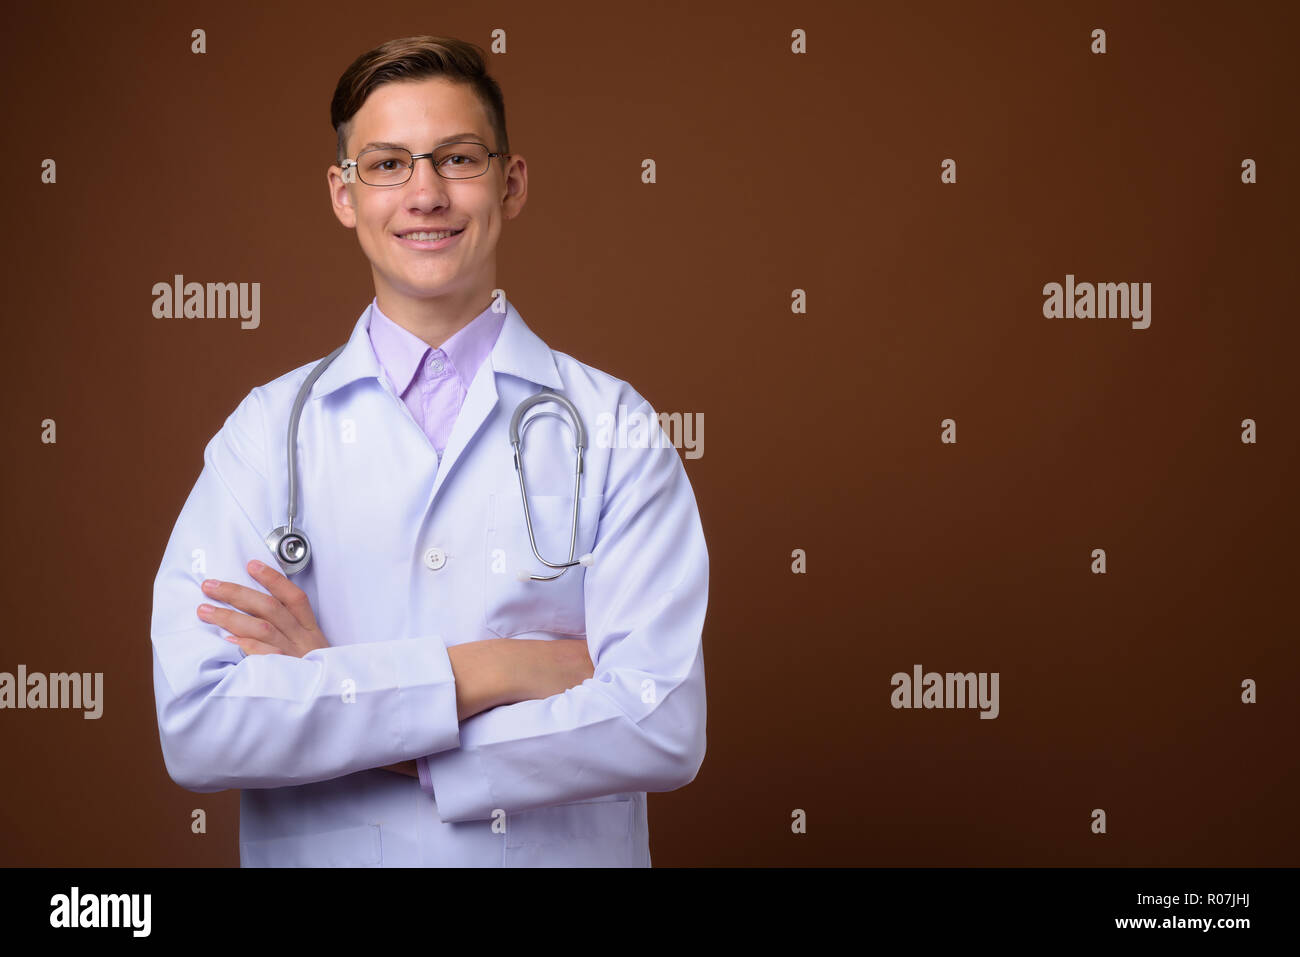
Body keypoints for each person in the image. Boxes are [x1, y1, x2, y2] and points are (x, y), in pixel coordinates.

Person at [149, 35, 709, 867]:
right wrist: (499, 669)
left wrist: (340, 684)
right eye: (386, 164)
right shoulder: (264, 437)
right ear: (344, 194)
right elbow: (200, 726)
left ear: (510, 183)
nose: (425, 193)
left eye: (457, 157)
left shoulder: (611, 425)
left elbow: (659, 724)